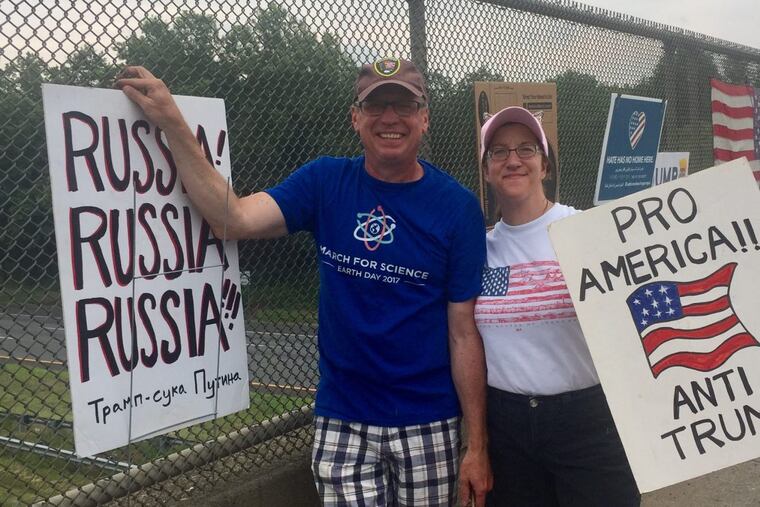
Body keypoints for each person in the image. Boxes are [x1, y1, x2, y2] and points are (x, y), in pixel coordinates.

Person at [117, 57, 491, 506]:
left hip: (427, 419)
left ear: (424, 118)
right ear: (356, 117)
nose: (390, 117)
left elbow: (464, 332)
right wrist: (172, 122)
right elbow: (231, 218)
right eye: (376, 106)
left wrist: (477, 446)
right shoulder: (325, 181)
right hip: (343, 418)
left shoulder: (458, 207)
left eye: (404, 105)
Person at [475, 106, 640, 506]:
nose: (513, 159)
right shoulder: (478, 247)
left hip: (587, 420)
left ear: (544, 165)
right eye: (499, 151)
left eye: (526, 149)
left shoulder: (587, 231)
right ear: (486, 169)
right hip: (507, 427)